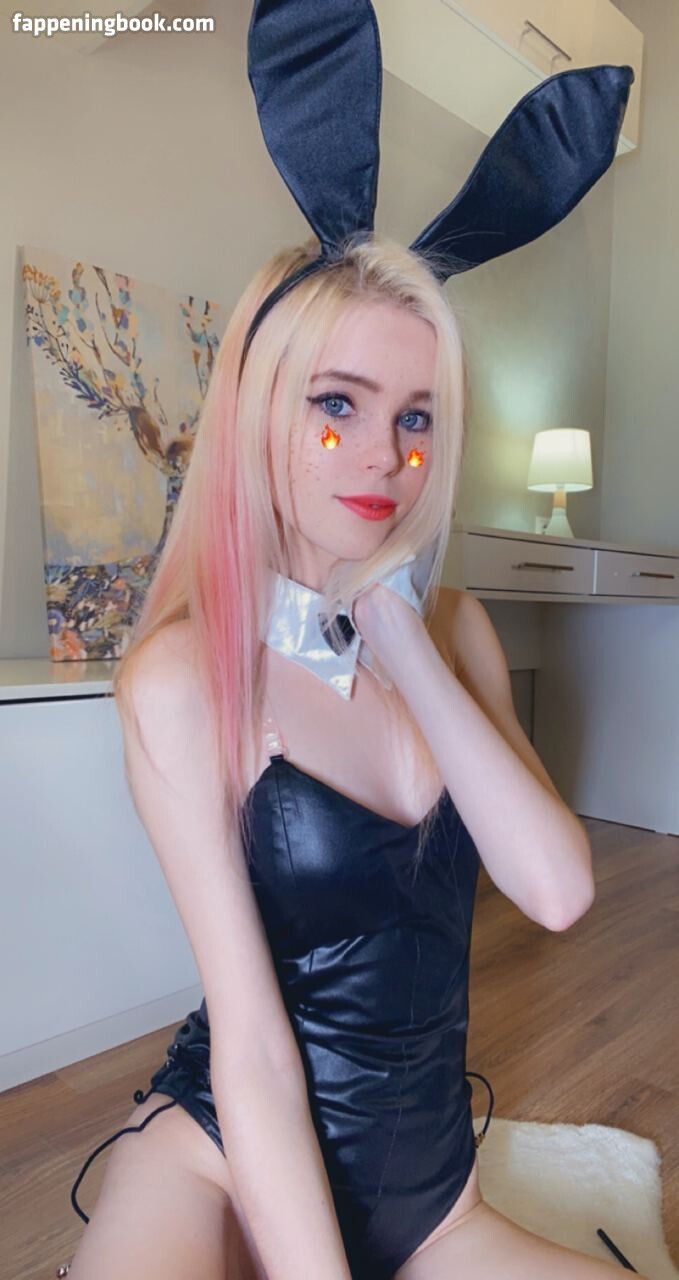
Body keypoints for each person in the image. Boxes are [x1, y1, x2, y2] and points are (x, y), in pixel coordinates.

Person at [57, 4, 644, 1277]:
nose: (383, 454)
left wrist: (396, 622)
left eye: (416, 417)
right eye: (339, 404)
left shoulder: (456, 631)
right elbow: (258, 1049)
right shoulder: (180, 676)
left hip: (427, 1187)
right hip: (226, 1153)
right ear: (263, 414)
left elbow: (556, 890)